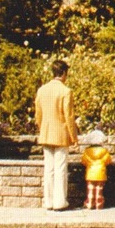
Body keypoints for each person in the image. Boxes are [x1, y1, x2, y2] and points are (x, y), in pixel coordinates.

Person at [35, 60, 78, 211]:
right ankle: (60, 202)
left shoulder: (42, 90)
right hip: (60, 134)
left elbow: (38, 115)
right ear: (64, 73)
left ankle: (48, 201)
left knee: (49, 169)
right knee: (60, 169)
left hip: (46, 133)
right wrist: (74, 137)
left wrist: (42, 128)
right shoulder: (66, 91)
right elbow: (69, 117)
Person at [81, 129, 113, 209]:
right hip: (101, 173)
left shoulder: (87, 151)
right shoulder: (104, 151)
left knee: (90, 189)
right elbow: (108, 161)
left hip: (90, 173)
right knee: (99, 189)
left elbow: (83, 161)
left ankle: (89, 204)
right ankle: (99, 205)